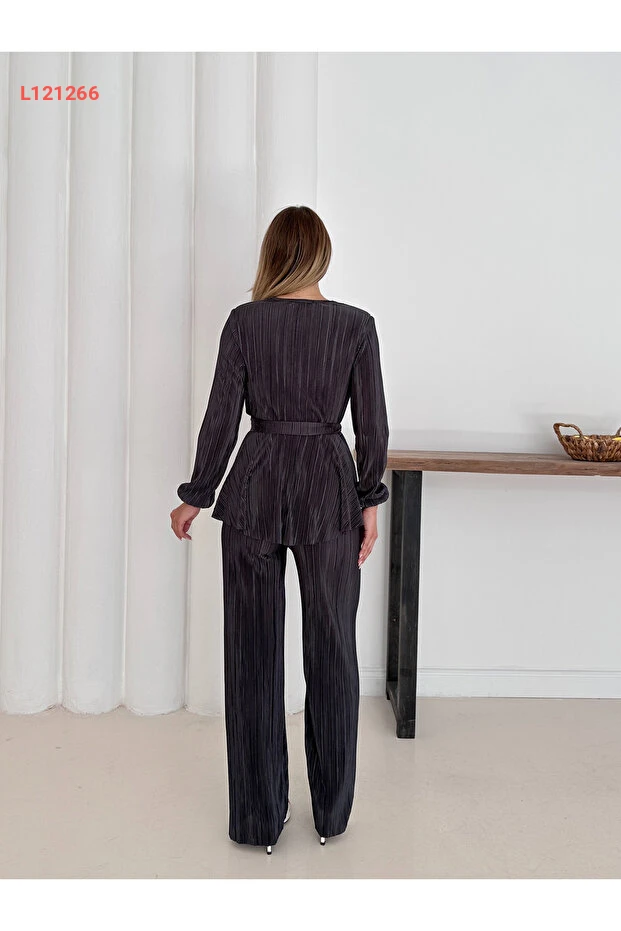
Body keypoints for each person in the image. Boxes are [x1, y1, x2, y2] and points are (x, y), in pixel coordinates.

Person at [170, 205, 390, 855]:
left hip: (254, 489)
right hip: (330, 489)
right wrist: (369, 499)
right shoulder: (355, 326)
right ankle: (331, 816)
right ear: (322, 253)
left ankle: (258, 820)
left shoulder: (245, 323)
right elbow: (371, 425)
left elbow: (221, 417)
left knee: (251, 656)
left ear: (272, 253)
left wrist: (197, 494)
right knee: (333, 651)